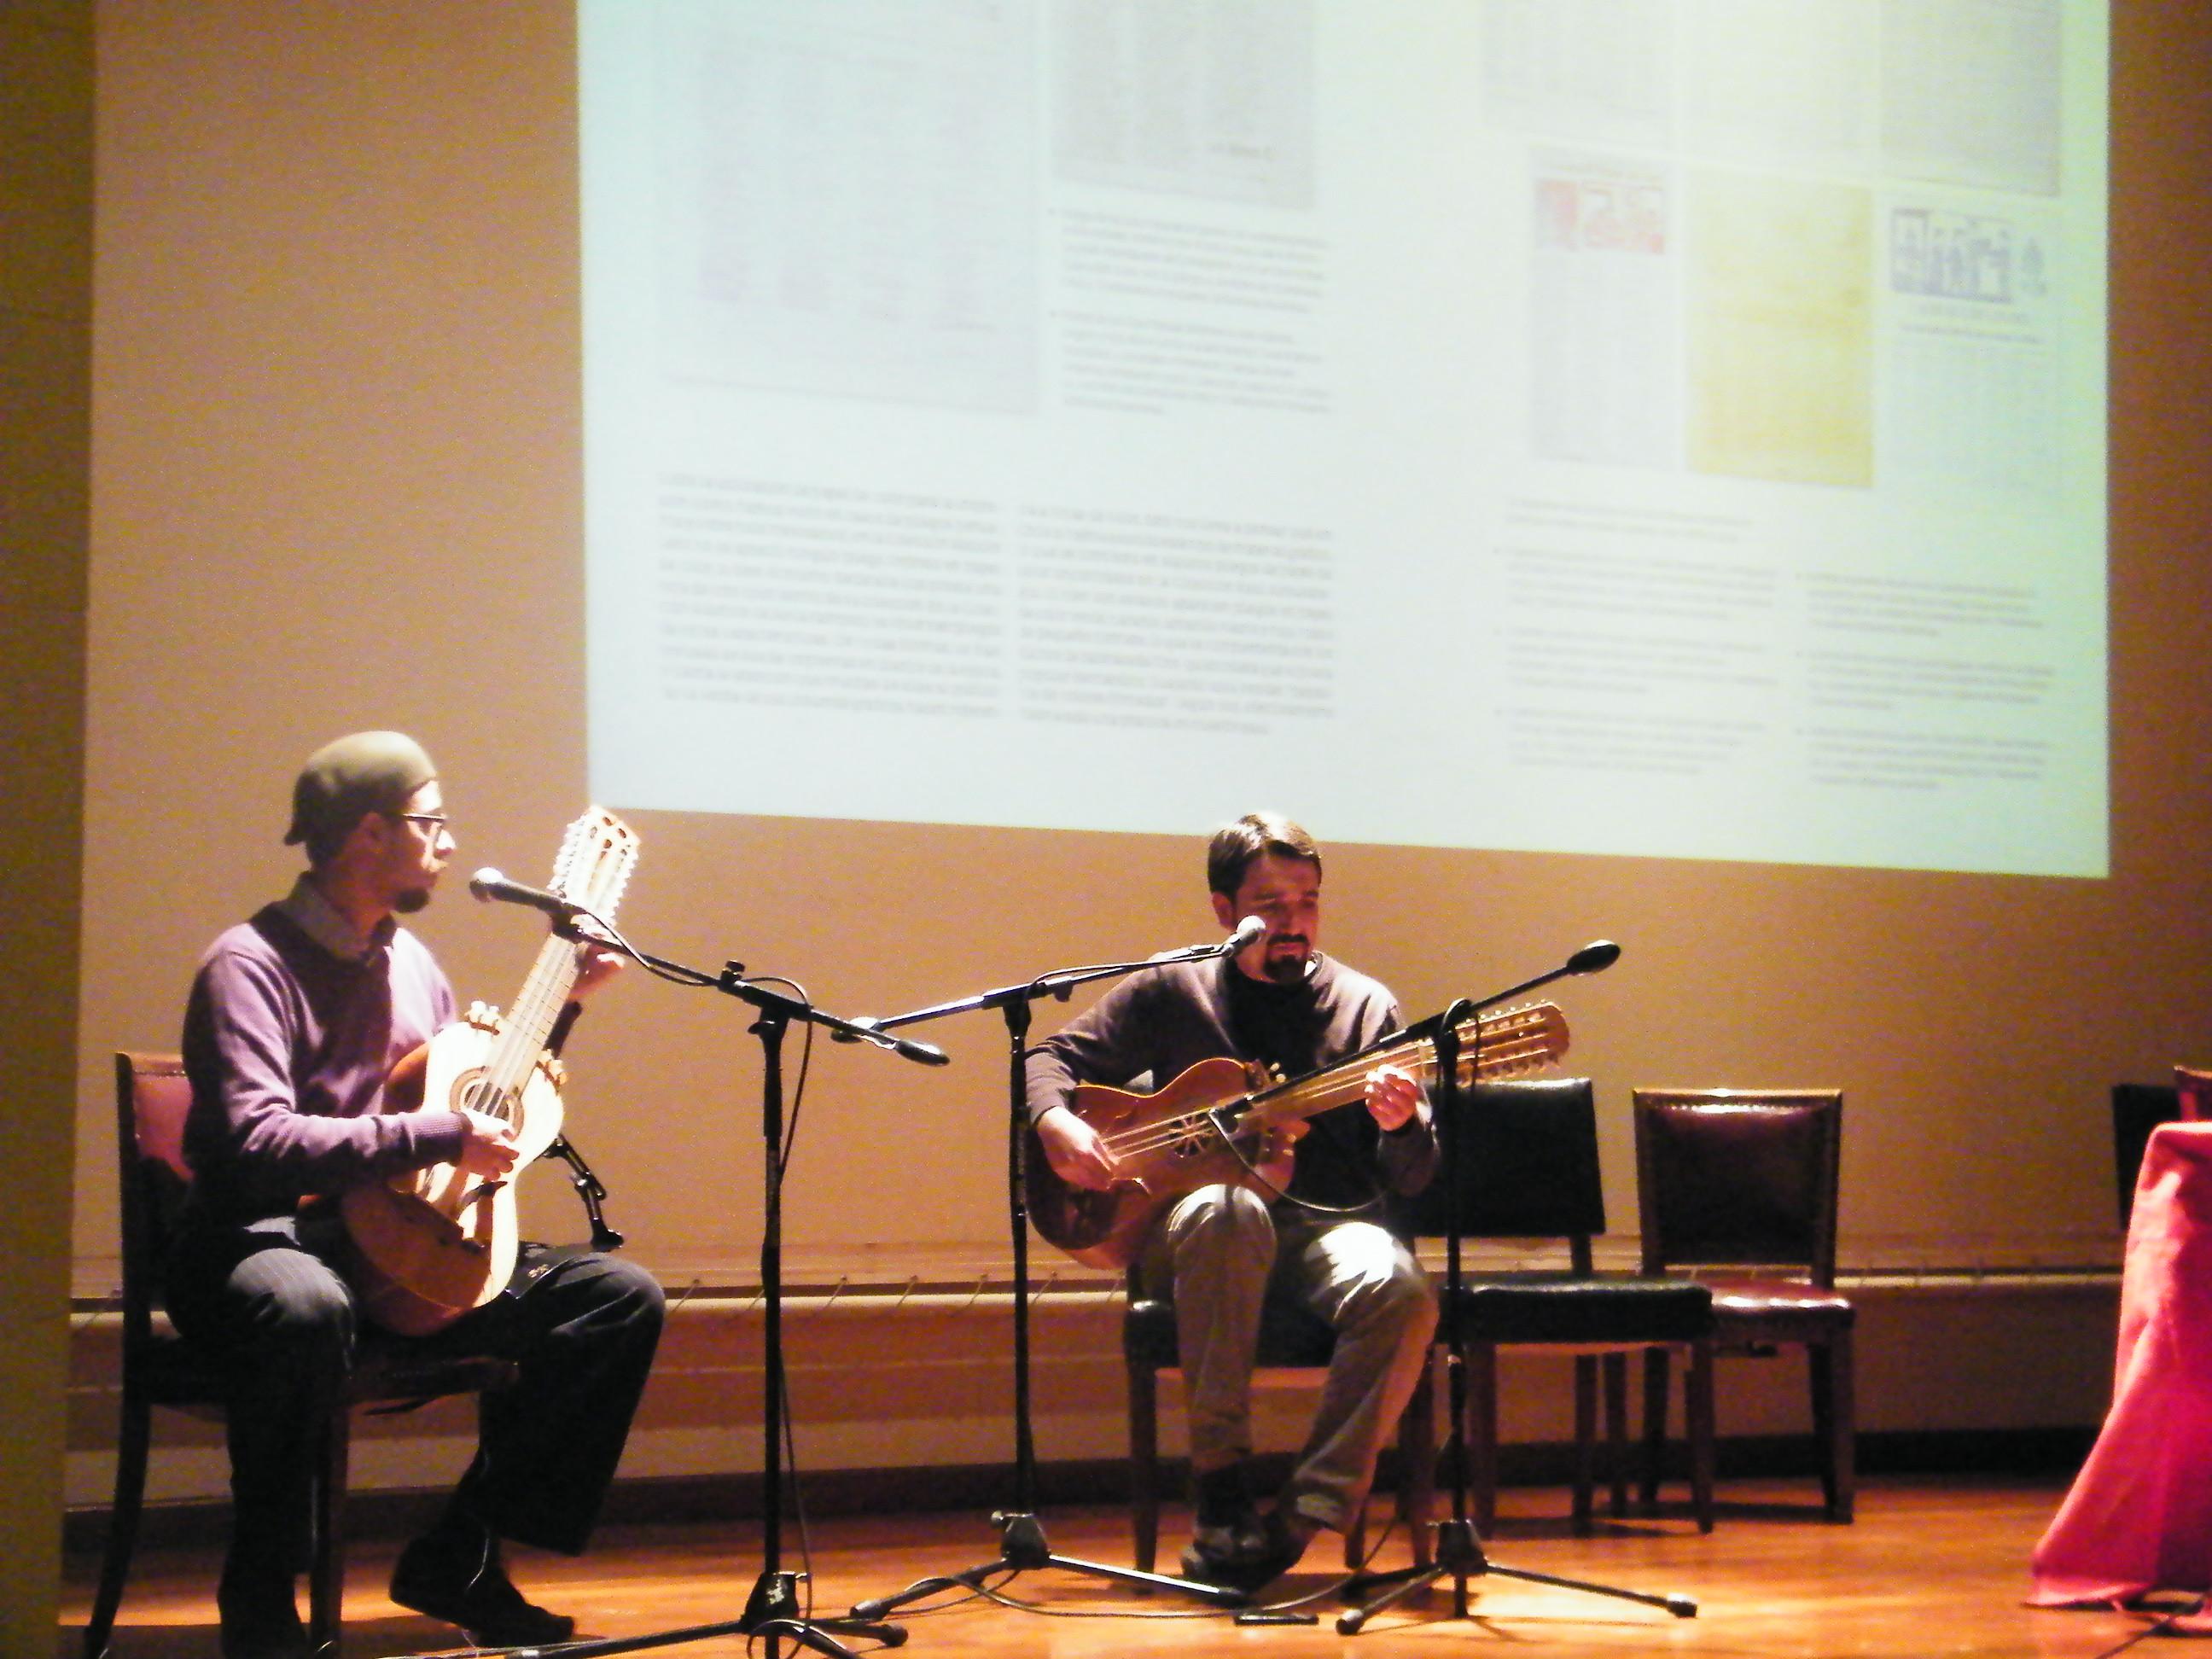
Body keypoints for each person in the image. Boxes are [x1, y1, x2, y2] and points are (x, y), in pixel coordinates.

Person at [167, 731, 665, 1659]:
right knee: (304, 1310)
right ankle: (263, 1588)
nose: (445, 841)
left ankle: (461, 1555)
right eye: (429, 823)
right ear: (367, 834)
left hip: (388, 1242)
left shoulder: (411, 964)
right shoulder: (249, 965)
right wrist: (437, 1136)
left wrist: (566, 1007)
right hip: (260, 1239)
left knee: (614, 1301)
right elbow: (258, 1142)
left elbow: (466, 1098)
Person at [1027, 812, 1439, 1592]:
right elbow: (1050, 1056)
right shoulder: (1172, 988)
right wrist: (1055, 1123)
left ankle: (1304, 1514)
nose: (1294, 924)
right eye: (1272, 905)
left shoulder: (1365, 1007)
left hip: (1324, 1230)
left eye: (1309, 903)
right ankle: (1219, 1487)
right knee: (1228, 1209)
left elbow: (1412, 1177)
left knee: (1401, 1287)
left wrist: (1404, 1124)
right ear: (1225, 910)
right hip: (1195, 1230)